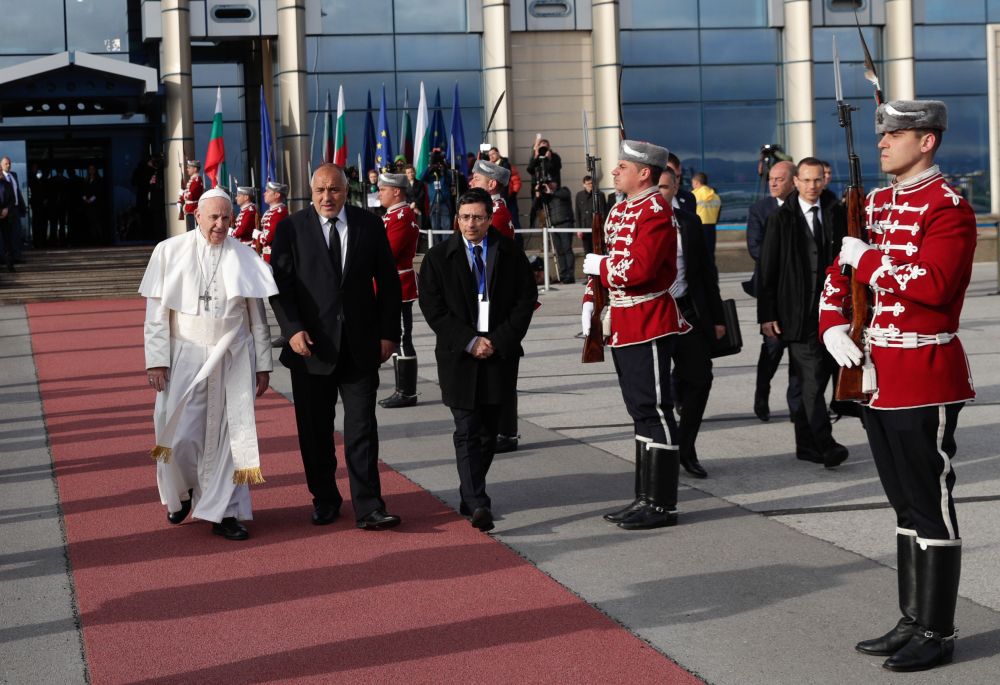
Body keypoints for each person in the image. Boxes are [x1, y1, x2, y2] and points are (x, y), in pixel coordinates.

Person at [820, 100, 976, 672]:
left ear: (927, 141)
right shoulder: (878, 202)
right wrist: (832, 323)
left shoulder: (949, 206)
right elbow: (840, 273)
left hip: (923, 374)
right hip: (874, 375)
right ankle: (912, 618)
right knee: (903, 502)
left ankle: (938, 629)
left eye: (896, 134)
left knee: (931, 502)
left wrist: (870, 263)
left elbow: (932, 285)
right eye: (881, 134)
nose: (883, 142)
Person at [269, 163, 403, 530]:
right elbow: (280, 287)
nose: (327, 197)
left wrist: (390, 334)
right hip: (310, 350)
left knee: (362, 429)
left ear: (347, 191)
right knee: (315, 432)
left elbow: (389, 284)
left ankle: (369, 506)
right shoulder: (290, 229)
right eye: (320, 191)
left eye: (335, 190)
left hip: (361, 348)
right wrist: (292, 329)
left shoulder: (369, 225)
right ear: (310, 192)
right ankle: (325, 498)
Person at [138, 187, 277, 541]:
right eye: (212, 217)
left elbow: (257, 317)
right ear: (196, 216)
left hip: (232, 355)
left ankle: (225, 513)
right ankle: (182, 494)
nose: (219, 225)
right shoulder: (169, 252)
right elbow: (157, 315)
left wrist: (263, 364)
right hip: (185, 354)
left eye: (225, 218)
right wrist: (156, 361)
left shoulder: (244, 255)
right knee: (179, 435)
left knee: (230, 438)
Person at [581, 140, 689, 530]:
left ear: (644, 173)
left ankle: (662, 504)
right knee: (639, 410)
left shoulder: (655, 210)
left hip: (649, 319)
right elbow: (605, 259)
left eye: (622, 166)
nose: (614, 172)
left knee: (656, 410)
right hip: (624, 321)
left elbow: (639, 269)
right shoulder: (622, 209)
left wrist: (603, 267)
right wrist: (592, 300)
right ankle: (644, 496)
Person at [418, 188, 537, 532]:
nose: (471, 224)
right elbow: (433, 308)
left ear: (489, 219)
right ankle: (479, 501)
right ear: (457, 219)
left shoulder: (509, 253)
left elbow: (525, 300)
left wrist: (497, 341)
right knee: (467, 428)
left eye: (478, 217)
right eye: (465, 217)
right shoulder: (439, 258)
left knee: (488, 433)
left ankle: (469, 493)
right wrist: (469, 341)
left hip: (499, 355)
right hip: (459, 356)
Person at [757, 157, 848, 469]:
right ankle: (826, 443)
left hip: (832, 314)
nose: (812, 186)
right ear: (795, 182)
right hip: (796, 316)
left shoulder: (836, 213)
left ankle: (806, 445)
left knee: (808, 381)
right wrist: (766, 315)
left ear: (824, 181)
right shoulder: (780, 220)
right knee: (810, 382)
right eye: (806, 180)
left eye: (817, 180)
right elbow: (766, 271)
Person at [658, 167, 726, 479]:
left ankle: (686, 446)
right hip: (652, 313)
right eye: (655, 187)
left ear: (676, 189)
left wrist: (717, 318)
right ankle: (661, 452)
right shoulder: (631, 221)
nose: (660, 193)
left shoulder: (689, 221)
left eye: (666, 187)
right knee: (656, 394)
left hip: (687, 310)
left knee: (700, 379)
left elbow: (706, 272)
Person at [469, 158, 521, 453]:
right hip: (485, 296)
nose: (472, 182)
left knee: (500, 367)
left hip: (491, 297)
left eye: (477, 179)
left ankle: (505, 431)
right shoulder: (493, 211)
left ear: (492, 184)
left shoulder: (496, 215)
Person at [745, 160, 799, 422]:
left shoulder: (805, 208)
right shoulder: (760, 209)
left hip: (800, 294)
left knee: (800, 356)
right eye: (771, 179)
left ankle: (797, 406)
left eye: (780, 179)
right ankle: (761, 394)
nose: (774, 183)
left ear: (793, 181)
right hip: (772, 291)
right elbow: (755, 247)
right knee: (772, 349)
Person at [376, 172, 421, 409]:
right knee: (392, 336)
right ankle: (401, 389)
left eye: (383, 189)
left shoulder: (402, 216)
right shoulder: (392, 215)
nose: (379, 193)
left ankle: (407, 391)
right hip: (387, 285)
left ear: (396, 191)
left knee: (402, 338)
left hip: (398, 286)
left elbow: (388, 253)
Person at [535, 181, 575, 284]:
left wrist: (551, 192)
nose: (549, 185)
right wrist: (538, 195)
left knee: (567, 249)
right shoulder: (548, 196)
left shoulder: (563, 190)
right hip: (553, 225)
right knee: (559, 251)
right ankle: (562, 275)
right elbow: (537, 207)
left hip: (565, 223)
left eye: (551, 183)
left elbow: (564, 195)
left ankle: (570, 275)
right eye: (547, 184)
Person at [469, 159, 515, 240]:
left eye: (476, 179)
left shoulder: (494, 213)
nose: (470, 183)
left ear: (492, 184)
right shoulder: (490, 208)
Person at [253, 181, 289, 264]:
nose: (264, 194)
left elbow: (267, 238)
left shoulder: (280, 213)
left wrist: (258, 235)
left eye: (268, 191)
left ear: (277, 195)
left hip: (275, 257)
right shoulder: (269, 212)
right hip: (265, 254)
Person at [690, 172, 721, 263]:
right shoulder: (716, 196)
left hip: (697, 228)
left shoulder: (693, 195)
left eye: (693, 183)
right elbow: (718, 214)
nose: (692, 186)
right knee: (710, 254)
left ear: (697, 182)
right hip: (711, 227)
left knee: (698, 255)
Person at [0, 156, 25, 269]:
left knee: (16, 233)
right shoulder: (2, 179)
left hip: (15, 208)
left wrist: (21, 204)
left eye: (9, 163)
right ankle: (6, 259)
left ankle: (17, 257)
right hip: (4, 210)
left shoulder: (13, 175)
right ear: (1, 165)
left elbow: (17, 191)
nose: (8, 165)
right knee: (6, 235)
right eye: (6, 164)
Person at [423, 152, 452, 244]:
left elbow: (449, 180)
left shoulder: (445, 173)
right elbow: (421, 177)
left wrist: (443, 169)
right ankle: (437, 247)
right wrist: (430, 167)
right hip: (433, 202)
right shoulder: (431, 175)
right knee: (435, 226)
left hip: (444, 203)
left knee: (446, 225)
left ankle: (446, 246)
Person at [575, 175, 607, 254]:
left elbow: (603, 211)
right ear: (584, 185)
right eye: (588, 183)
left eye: (591, 183)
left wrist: (603, 227)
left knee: (598, 250)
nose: (590, 185)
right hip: (584, 227)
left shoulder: (599, 195)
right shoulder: (579, 195)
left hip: (597, 227)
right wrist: (578, 229)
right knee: (587, 251)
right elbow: (577, 213)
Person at [80, 164, 104, 245]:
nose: (91, 170)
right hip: (88, 205)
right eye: (89, 169)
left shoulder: (99, 180)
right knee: (91, 222)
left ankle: (100, 240)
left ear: (95, 170)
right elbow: (82, 191)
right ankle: (93, 240)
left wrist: (91, 199)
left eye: (92, 169)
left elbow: (99, 192)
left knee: (97, 222)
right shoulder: (86, 180)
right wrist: (85, 198)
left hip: (96, 205)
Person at [178, 160, 204, 232]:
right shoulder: (193, 179)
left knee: (193, 231)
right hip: (190, 209)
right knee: (190, 230)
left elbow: (191, 195)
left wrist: (182, 193)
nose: (187, 169)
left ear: (195, 169)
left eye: (189, 168)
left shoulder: (197, 180)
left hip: (193, 209)